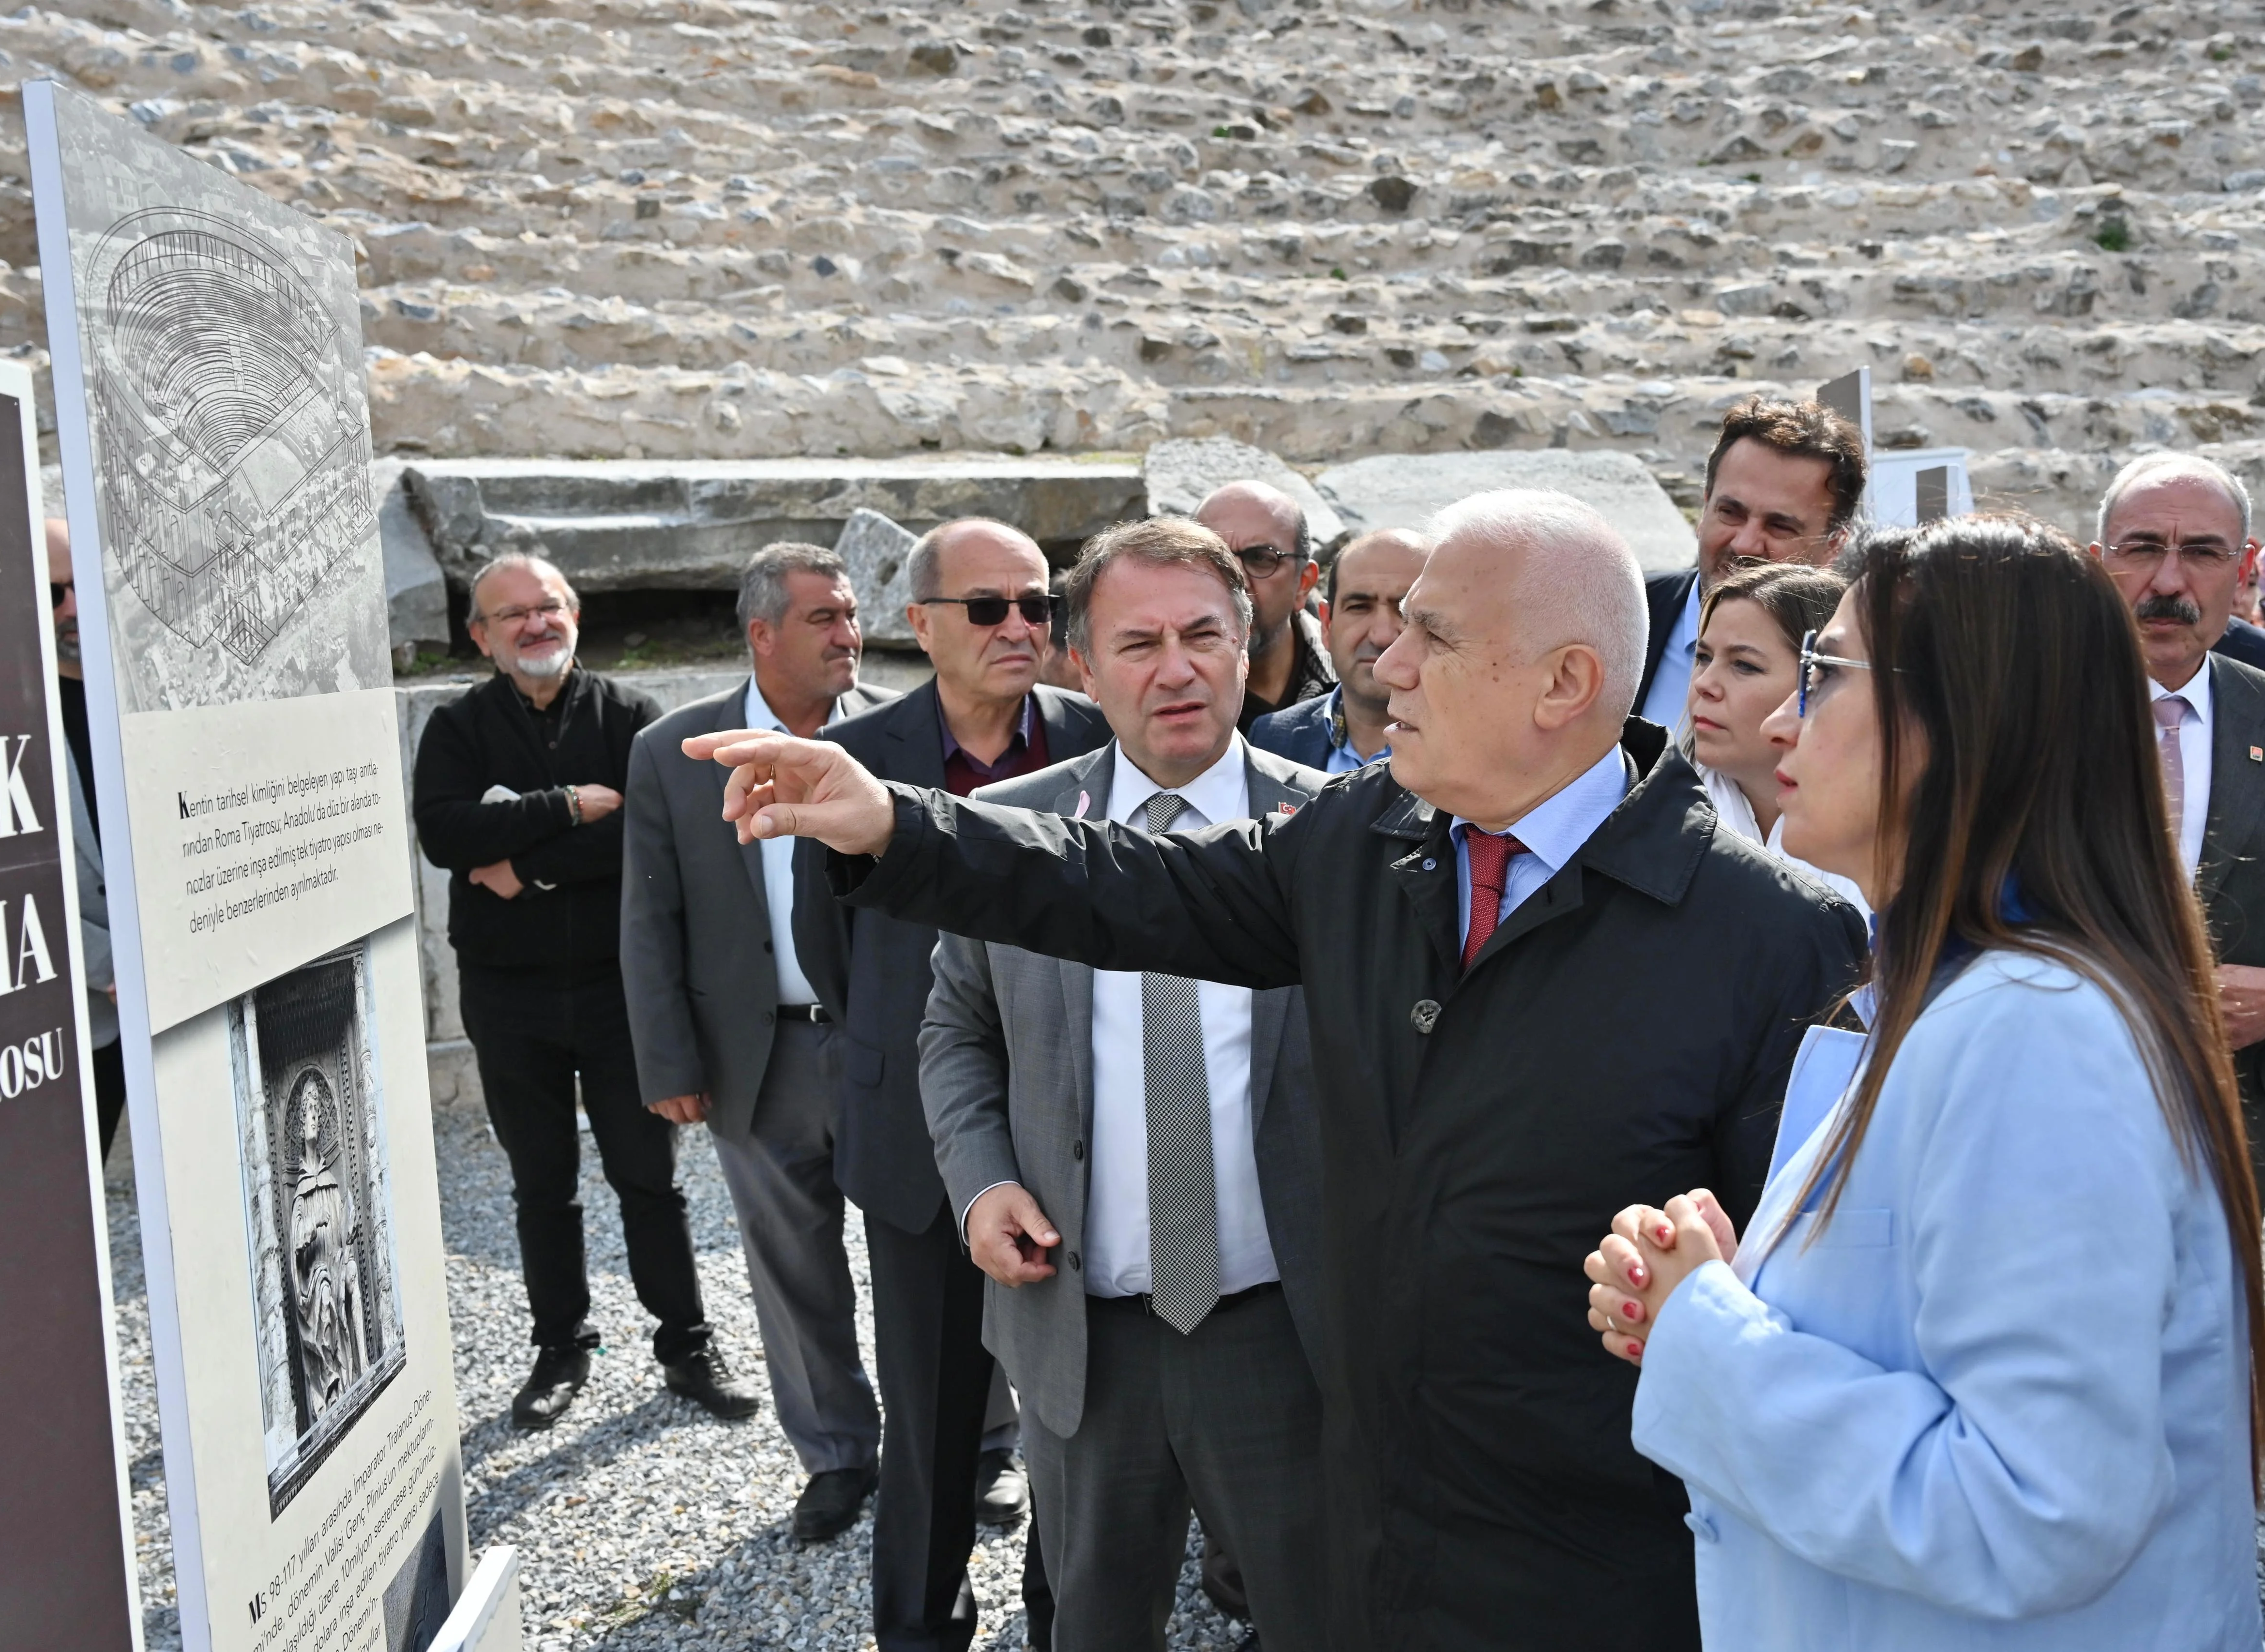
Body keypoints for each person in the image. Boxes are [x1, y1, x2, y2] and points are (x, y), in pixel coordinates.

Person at [687, 489, 1868, 1650]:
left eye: (1431, 632)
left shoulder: (1777, 938)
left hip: (1605, 1574)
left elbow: (1811, 1321)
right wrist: (892, 823)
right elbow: (1126, 887)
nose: (1384, 663)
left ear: (1564, 684)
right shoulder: (1368, 838)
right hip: (1368, 1530)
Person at [1586, 516, 2265, 1651]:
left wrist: (1704, 1329)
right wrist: (1719, 1289)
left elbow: (2032, 1509)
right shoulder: (1970, 997)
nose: (1775, 718)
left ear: (1965, 719)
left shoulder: (2034, 1030)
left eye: (1823, 672)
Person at [921, 518, 1331, 1651]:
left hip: (1282, 1330)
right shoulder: (1004, 833)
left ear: (1249, 648)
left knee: (1321, 1614)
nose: (1177, 666)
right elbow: (955, 1028)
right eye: (1138, 641)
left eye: (1204, 634)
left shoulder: (1342, 833)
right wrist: (982, 1179)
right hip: (1085, 1335)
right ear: (1080, 666)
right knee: (1096, 1621)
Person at [790, 519, 1103, 1648]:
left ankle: (1062, 1620)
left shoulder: (1097, 741)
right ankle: (921, 1630)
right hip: (920, 1150)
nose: (1019, 626)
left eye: (1037, 604)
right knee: (928, 1426)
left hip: (1086, 1137)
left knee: (1076, 1426)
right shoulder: (856, 755)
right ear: (918, 626)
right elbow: (833, 954)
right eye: (988, 607)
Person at [414, 551, 750, 1433]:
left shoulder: (632, 718)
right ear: (481, 636)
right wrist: (568, 805)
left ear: (575, 615)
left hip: (617, 991)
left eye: (550, 606)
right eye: (513, 614)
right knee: (541, 1184)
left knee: (649, 1178)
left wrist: (519, 864)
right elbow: (444, 832)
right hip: (508, 994)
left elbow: (650, 835)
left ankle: (686, 1343)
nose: (536, 624)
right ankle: (561, 1348)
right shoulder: (456, 725)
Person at [621, 543, 895, 1540]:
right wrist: (669, 1062)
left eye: (852, 614)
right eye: (823, 617)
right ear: (762, 633)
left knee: (936, 1252)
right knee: (792, 1267)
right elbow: (648, 921)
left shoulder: (899, 732)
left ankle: (983, 1443)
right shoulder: (675, 750)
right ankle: (835, 1452)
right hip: (759, 1056)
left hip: (889, 1051)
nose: (849, 634)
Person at [2085, 453, 2265, 1188]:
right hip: (2059, 1124)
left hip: (2231, 1156)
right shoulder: (2016, 718)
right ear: (2099, 566)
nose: (2168, 583)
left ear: (2244, 566)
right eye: (2142, 550)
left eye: (2199, 553)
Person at [1635, 396, 1868, 729]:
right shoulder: (1620, 613)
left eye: (1779, 526)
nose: (1745, 543)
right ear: (1705, 508)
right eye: (1731, 513)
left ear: (1834, 545)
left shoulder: (1857, 664)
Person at [1681, 561, 1867, 913]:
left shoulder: (1882, 840)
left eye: (1744, 665)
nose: (1704, 683)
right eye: (1703, 657)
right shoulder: (1647, 812)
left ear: (1823, 681)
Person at [46, 518, 125, 1157]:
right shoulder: (2, 719)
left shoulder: (139, 696)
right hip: (82, 1014)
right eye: (52, 595)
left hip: (185, 1003)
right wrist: (108, 964)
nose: (74, 609)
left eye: (84, 587)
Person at [1250, 527, 1427, 772]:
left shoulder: (1478, 746)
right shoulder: (1272, 738)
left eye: (1405, 611)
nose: (1382, 636)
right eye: (1359, 607)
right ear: (1326, 625)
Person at [1192, 482, 1337, 734]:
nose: (1236, 579)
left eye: (1260, 558)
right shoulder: (1157, 693)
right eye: (1214, 561)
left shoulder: (1358, 682)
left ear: (1303, 583)